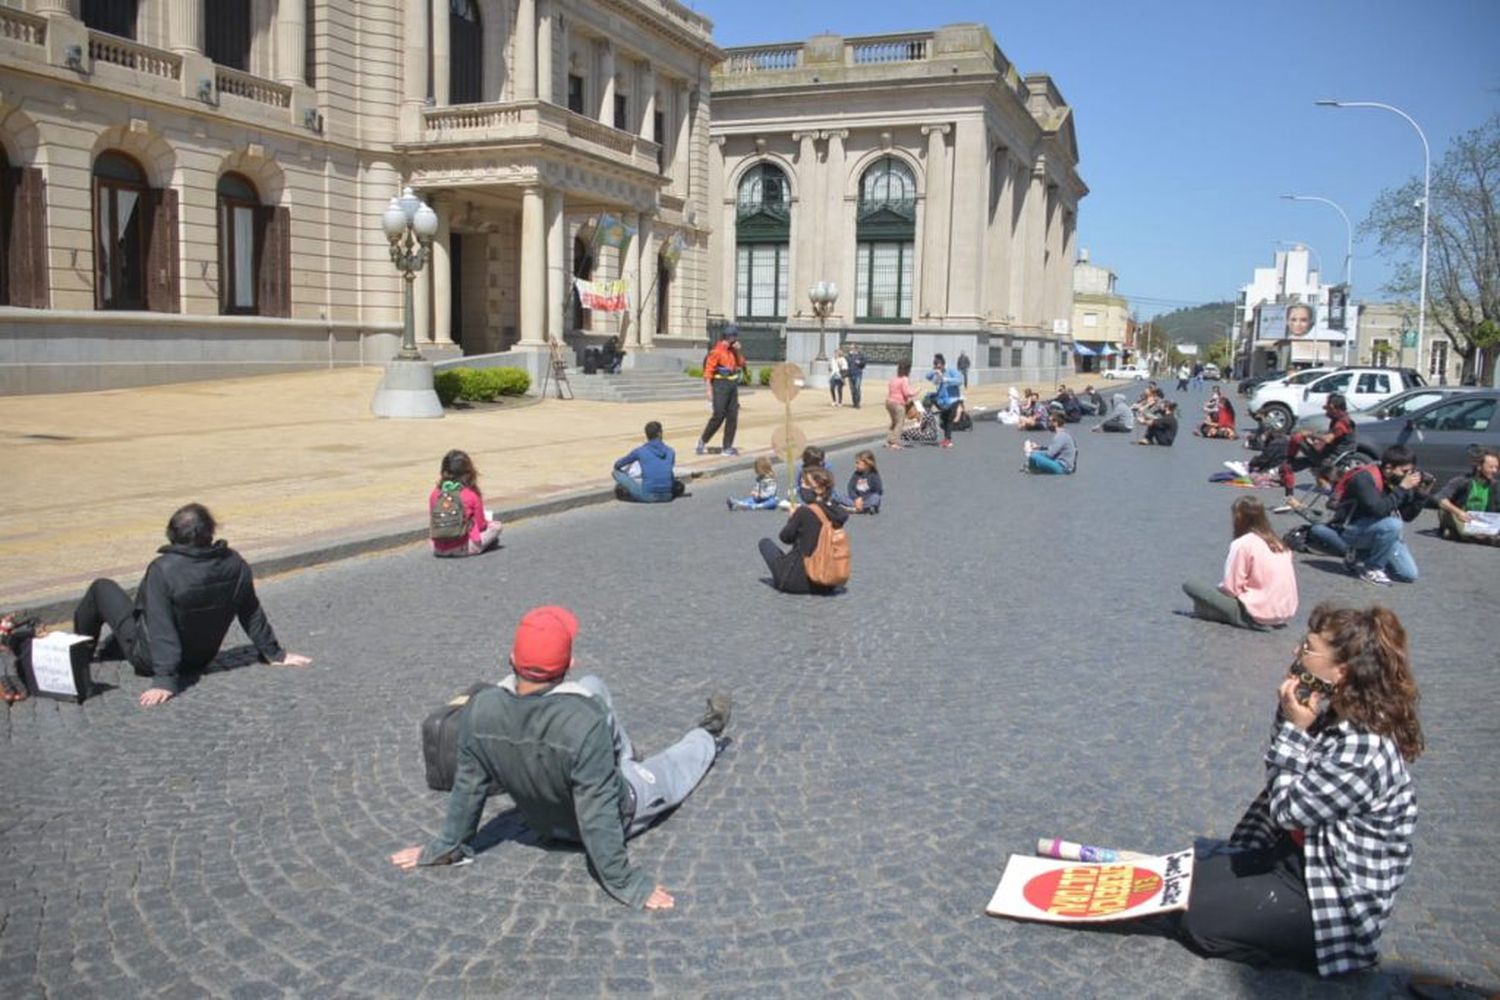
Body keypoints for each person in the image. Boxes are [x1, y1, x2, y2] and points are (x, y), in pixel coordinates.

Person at [389, 605, 733, 911]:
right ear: (568, 664)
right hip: (615, 808)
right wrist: (626, 883)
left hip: (543, 818)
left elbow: (468, 789)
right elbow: (598, 816)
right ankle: (707, 734)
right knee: (673, 768)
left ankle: (625, 757)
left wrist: (445, 846)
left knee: (594, 685)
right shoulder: (584, 722)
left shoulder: (480, 711)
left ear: (512, 659)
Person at [1177, 602, 1421, 977]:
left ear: (1341, 671)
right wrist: (1289, 718)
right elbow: (1285, 777)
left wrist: (1293, 729)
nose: (1296, 652)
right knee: (1192, 873)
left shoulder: (1365, 749)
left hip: (1330, 905)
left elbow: (1288, 808)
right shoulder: (1335, 715)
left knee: (1200, 923)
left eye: (1308, 649)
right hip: (1295, 861)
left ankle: (1307, 961)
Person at [72, 503, 312, 707]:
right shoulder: (234, 563)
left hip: (149, 659)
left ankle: (78, 654)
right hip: (201, 658)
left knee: (101, 588)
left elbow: (160, 623)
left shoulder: (163, 569)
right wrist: (274, 653)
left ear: (172, 535)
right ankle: (108, 649)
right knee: (125, 624)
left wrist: (165, 679)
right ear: (210, 532)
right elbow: (251, 612)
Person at [1307, 445, 1431, 586]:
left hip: (1382, 531)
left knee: (1408, 574)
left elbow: (1407, 516)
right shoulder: (1365, 478)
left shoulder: (1397, 482)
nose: (1408, 476)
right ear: (1389, 468)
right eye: (1405, 471)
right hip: (1352, 529)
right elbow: (1378, 509)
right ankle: (1373, 569)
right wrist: (1402, 489)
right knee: (1393, 524)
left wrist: (1421, 496)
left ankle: (1356, 554)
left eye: (1411, 471)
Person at [1181, 497, 1298, 630]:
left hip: (1255, 613)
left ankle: (1215, 613)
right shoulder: (1279, 543)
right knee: (1212, 600)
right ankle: (1212, 611)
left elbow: (1231, 589)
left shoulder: (1242, 544)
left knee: (1191, 585)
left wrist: (1217, 591)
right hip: (1284, 613)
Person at [758, 467, 849, 594]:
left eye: (806, 484)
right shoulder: (837, 513)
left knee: (765, 543)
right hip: (826, 581)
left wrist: (792, 519)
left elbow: (785, 538)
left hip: (795, 580)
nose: (802, 487)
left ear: (819, 489)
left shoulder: (804, 512)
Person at [1278, 393, 1354, 504]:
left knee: (1297, 437)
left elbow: (1328, 438)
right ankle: (1289, 499)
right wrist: (1316, 442)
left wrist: (1309, 434)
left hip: (1332, 461)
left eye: (1327, 408)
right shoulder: (1337, 421)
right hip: (1325, 457)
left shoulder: (1343, 423)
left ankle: (1289, 458)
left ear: (1334, 408)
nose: (1326, 411)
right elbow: (1331, 441)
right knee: (1286, 467)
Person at [429, 449, 504, 557]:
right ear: (468, 472)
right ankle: (485, 544)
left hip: (437, 548)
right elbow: (480, 524)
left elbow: (433, 519)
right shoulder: (471, 494)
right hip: (464, 547)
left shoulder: (435, 494)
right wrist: (488, 522)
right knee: (497, 526)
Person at [1435, 447, 1500, 545]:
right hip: (1461, 517)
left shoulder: (1495, 485)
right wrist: (1459, 512)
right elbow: (1440, 498)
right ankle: (1491, 541)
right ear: (1479, 466)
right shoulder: (1462, 481)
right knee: (1459, 522)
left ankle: (1455, 535)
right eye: (1491, 467)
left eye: (1497, 467)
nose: (1495, 471)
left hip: (1481, 520)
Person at [696, 328, 744, 456]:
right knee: (719, 415)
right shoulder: (716, 352)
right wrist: (709, 390)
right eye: (734, 337)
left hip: (732, 385)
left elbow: (741, 363)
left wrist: (738, 351)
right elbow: (708, 371)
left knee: (732, 416)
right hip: (720, 385)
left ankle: (727, 446)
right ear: (729, 338)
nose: (736, 340)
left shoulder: (733, 351)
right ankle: (702, 441)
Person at [613, 421, 686, 503]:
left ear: (647, 435)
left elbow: (619, 463)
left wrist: (618, 468)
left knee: (616, 473)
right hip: (667, 496)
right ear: (659, 434)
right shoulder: (671, 451)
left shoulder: (640, 451)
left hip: (648, 496)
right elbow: (669, 470)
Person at [885, 360, 919, 448]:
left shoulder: (894, 379)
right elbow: (907, 392)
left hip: (889, 402)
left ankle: (889, 439)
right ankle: (894, 442)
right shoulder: (904, 379)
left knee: (893, 422)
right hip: (898, 403)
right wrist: (916, 391)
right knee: (900, 422)